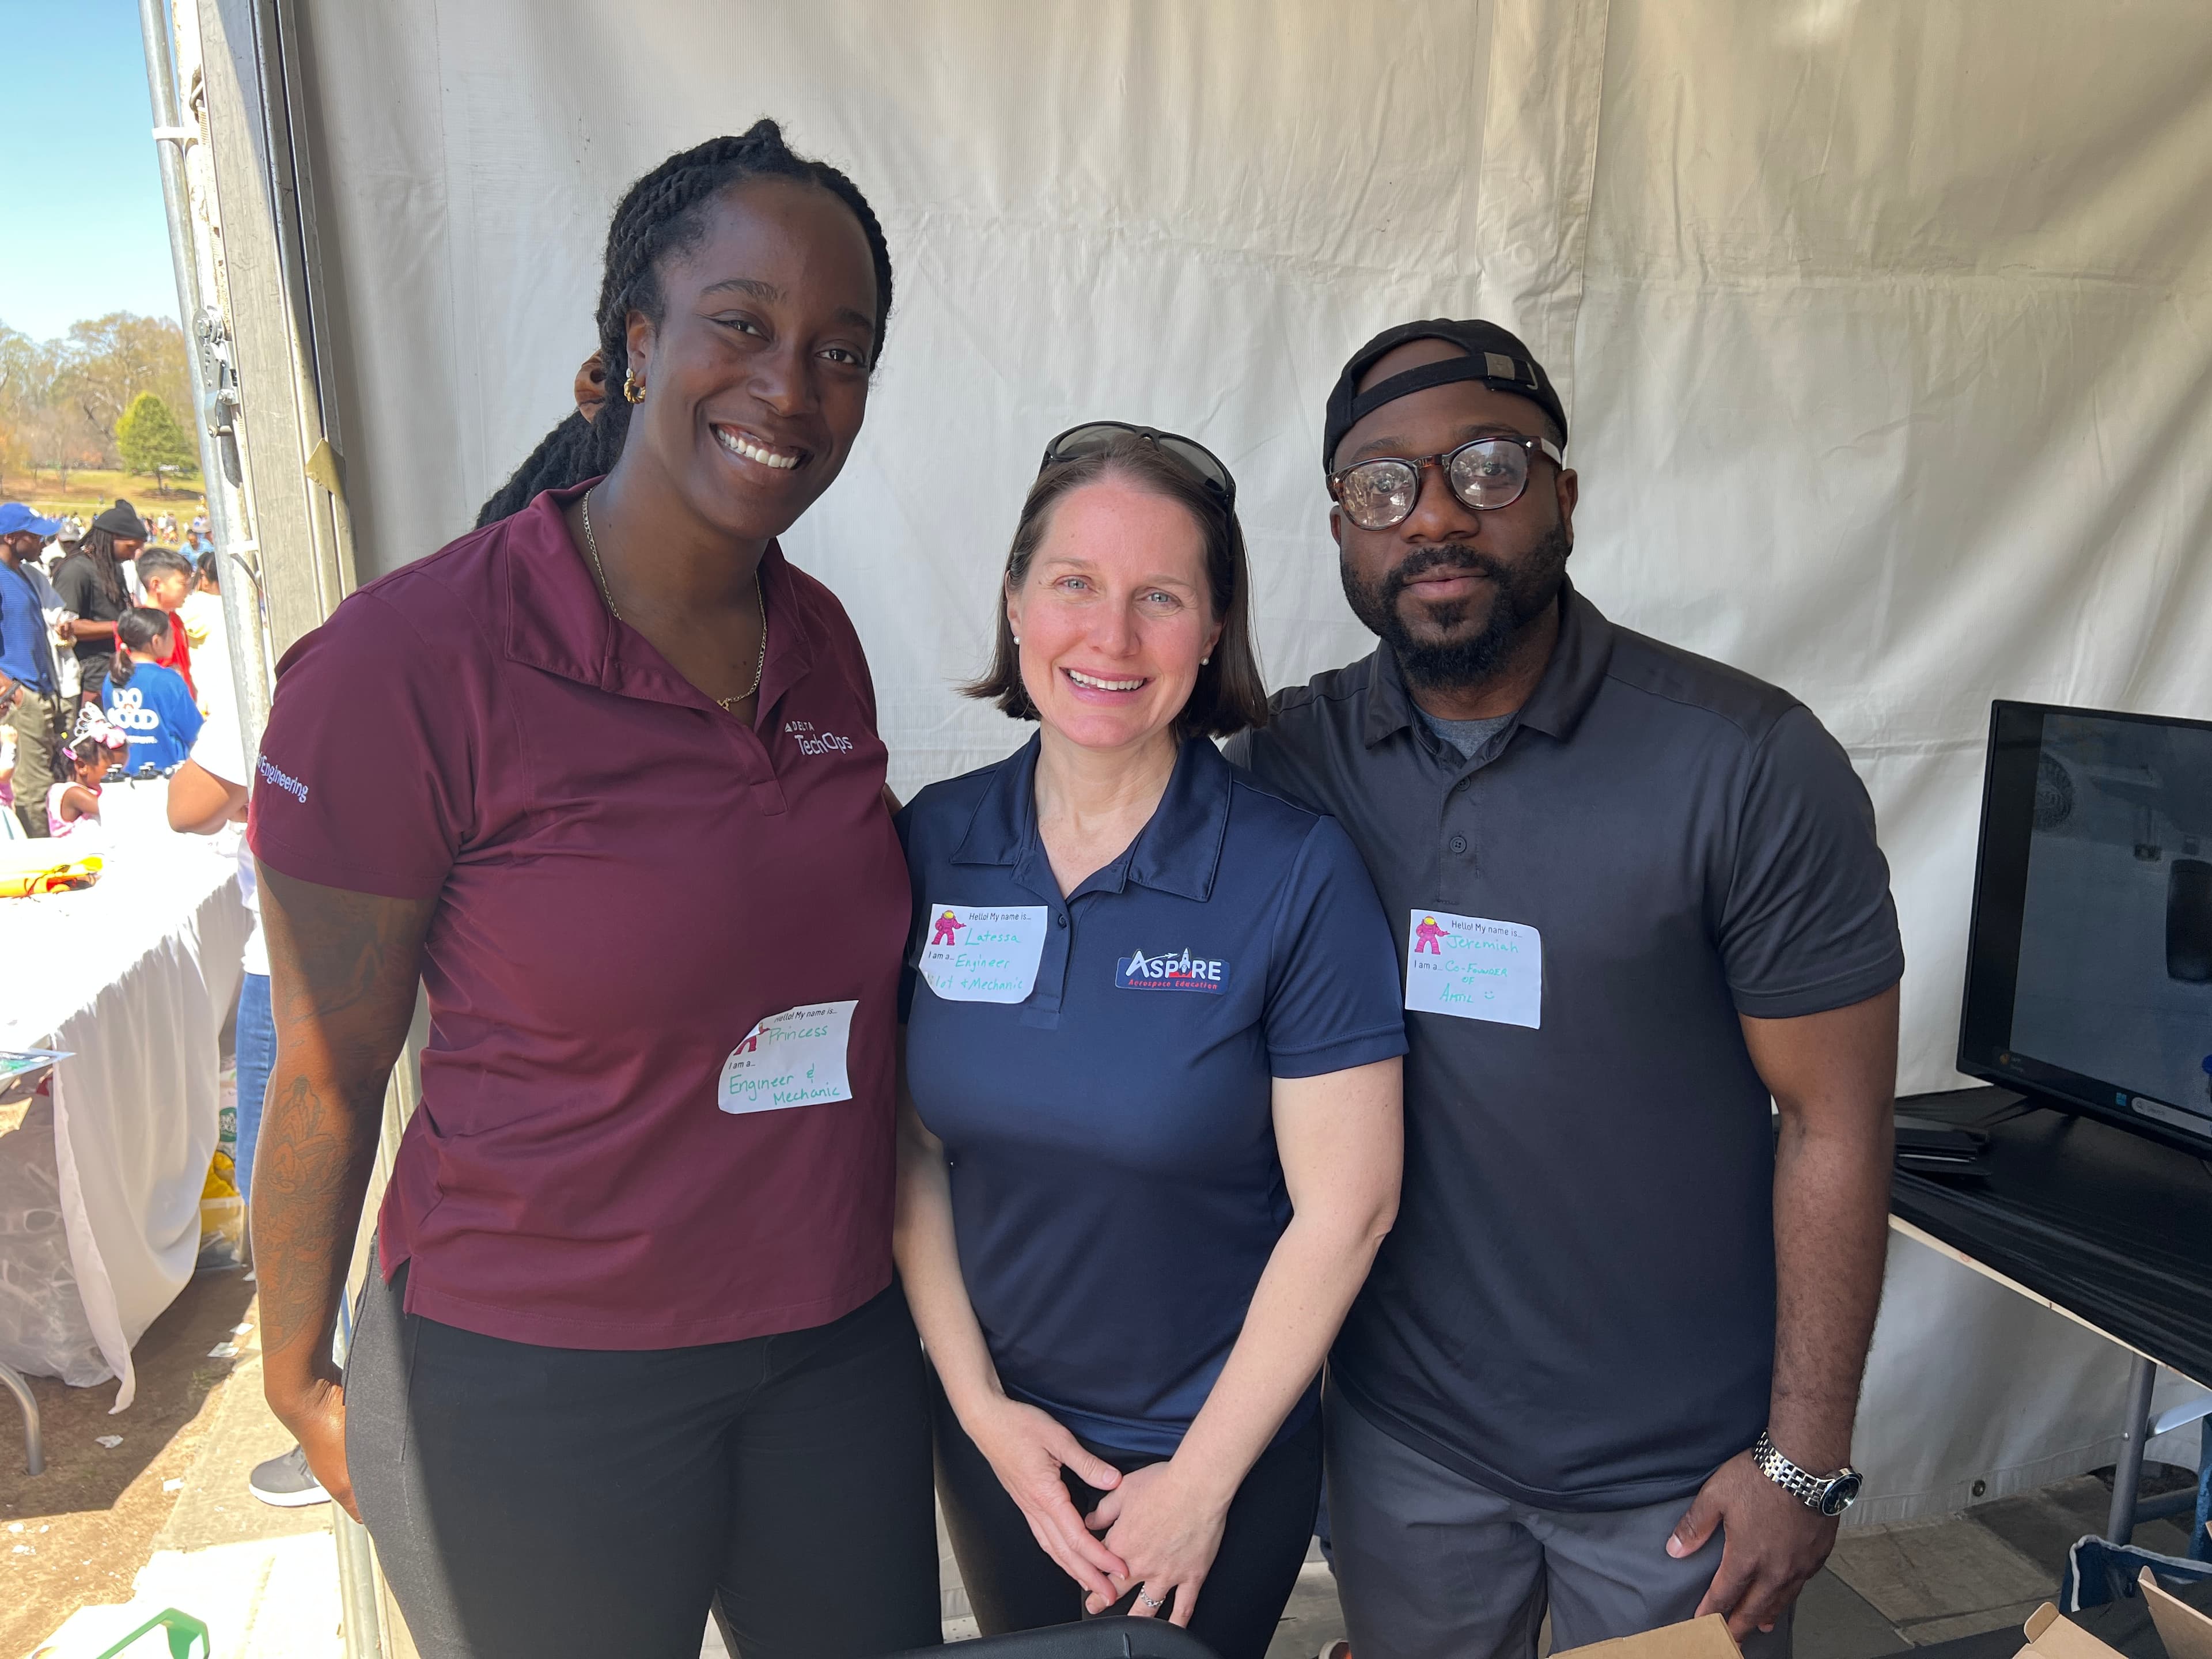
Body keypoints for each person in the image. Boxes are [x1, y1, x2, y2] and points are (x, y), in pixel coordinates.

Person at [245, 123, 940, 1659]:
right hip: (533, 1374)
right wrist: (295, 1374)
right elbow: (324, 1068)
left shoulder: (818, 636)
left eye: (843, 349)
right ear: (638, 342)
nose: (793, 387)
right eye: (743, 326)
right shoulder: (408, 665)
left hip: (830, 1355)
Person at [1227, 319, 1904, 1659]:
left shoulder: (1743, 763)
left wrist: (1802, 1459)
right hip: (1404, 1452)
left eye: (1484, 465)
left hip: (1678, 1479)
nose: (1432, 515)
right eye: (1381, 485)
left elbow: (1837, 1120)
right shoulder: (1293, 764)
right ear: (1339, 530)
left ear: (1563, 493)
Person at [895, 425, 1406, 1659]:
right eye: (1074, 583)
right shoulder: (934, 843)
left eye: (1160, 598)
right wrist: (980, 1412)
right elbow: (907, 1152)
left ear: (1215, 629)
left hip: (1217, 1455)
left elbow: (1351, 1208)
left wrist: (1200, 1483)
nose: (1111, 638)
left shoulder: (1292, 871)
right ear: (1016, 600)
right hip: (1007, 1451)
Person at [1, 503, 66, 837]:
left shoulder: (25, 574)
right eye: (35, 535)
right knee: (31, 789)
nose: (44, 541)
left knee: (46, 781)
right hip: (20, 697)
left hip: (40, 692)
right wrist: (10, 690)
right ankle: (42, 863)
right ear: (11, 538)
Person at [54, 499, 146, 707]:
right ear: (111, 538)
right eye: (130, 548)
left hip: (116, 663)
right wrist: (121, 626)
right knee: (94, 737)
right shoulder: (76, 570)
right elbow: (67, 626)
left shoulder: (112, 566)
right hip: (91, 672)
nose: (133, 556)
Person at [103, 608, 204, 774]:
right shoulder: (168, 680)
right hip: (167, 772)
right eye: (171, 634)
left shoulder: (111, 678)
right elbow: (194, 732)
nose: (174, 640)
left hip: (123, 773)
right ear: (156, 641)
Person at [132, 547, 202, 702]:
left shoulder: (175, 620)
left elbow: (183, 668)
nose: (188, 590)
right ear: (157, 585)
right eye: (183, 584)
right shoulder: (138, 627)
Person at [48, 706, 128, 835]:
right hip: (74, 855)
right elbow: (113, 810)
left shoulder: (98, 791)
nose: (121, 776)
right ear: (81, 766)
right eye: (113, 771)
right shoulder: (73, 794)